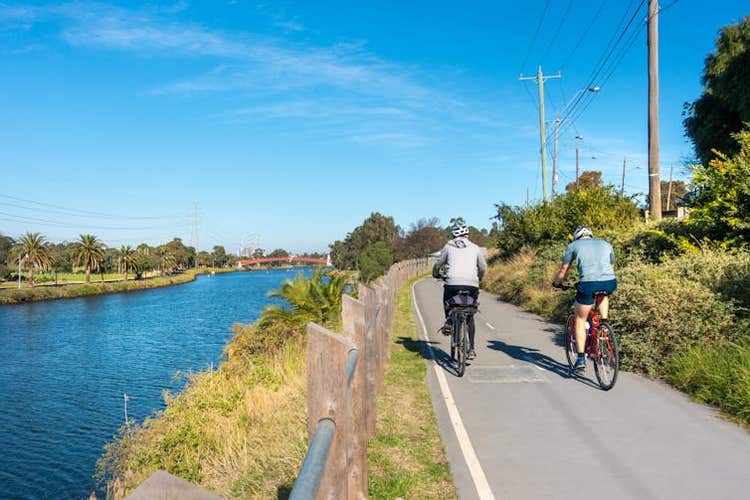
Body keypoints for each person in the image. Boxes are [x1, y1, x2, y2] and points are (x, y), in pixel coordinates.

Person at [553, 226, 617, 371]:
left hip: (587, 284)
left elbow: (563, 270)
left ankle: (581, 358)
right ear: (591, 235)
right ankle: (604, 326)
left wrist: (557, 283)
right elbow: (612, 267)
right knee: (603, 293)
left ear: (577, 237)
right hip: (610, 282)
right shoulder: (606, 243)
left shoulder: (573, 246)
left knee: (580, 319)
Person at [433, 224, 487, 359]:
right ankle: (472, 349)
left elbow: (438, 264)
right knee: (470, 315)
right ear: (467, 236)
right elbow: (483, 267)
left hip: (452, 283)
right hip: (472, 285)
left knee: (447, 301)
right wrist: (478, 278)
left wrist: (436, 274)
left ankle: (449, 319)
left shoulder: (448, 247)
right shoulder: (475, 248)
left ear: (453, 236)